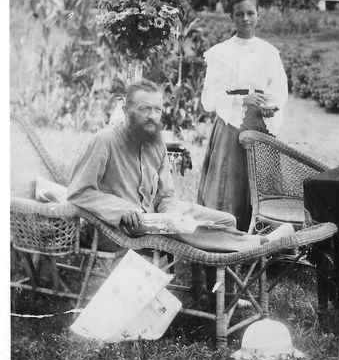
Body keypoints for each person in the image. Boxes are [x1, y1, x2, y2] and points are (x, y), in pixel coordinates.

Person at [68, 79, 287, 254]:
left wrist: (171, 217)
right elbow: (79, 192)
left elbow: (166, 195)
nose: (153, 117)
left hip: (155, 217)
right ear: (126, 110)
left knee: (226, 219)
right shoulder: (104, 140)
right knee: (190, 229)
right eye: (144, 109)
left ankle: (220, 289)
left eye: (157, 110)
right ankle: (260, 243)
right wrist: (121, 210)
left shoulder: (156, 143)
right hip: (120, 227)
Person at [197, 0, 289, 231]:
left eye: (250, 13)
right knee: (231, 179)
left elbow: (278, 91)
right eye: (239, 14)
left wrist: (272, 108)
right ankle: (226, 233)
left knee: (261, 179)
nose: (245, 19)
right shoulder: (220, 52)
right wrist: (241, 99)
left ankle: (261, 235)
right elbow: (209, 98)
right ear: (231, 18)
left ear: (258, 15)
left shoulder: (269, 52)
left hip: (261, 123)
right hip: (232, 123)